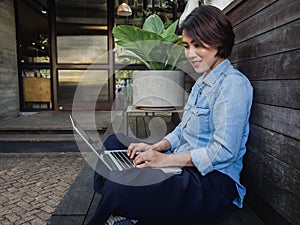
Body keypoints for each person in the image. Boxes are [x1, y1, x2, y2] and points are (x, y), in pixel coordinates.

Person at [87, 5, 253, 225]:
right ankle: (126, 203)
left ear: (219, 41)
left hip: (210, 182)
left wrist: (164, 160)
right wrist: (155, 148)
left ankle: (123, 207)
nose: (190, 54)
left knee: (122, 183)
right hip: (182, 164)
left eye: (198, 45)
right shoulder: (202, 82)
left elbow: (223, 151)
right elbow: (183, 130)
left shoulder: (233, 85)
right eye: (186, 46)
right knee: (113, 142)